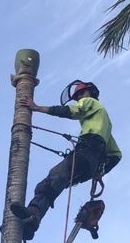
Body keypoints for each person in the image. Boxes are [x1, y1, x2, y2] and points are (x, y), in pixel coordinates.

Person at [10, 80, 121, 241]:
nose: (79, 99)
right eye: (78, 97)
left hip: (84, 153)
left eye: (81, 94)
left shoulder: (90, 102)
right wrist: (99, 172)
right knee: (55, 185)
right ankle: (31, 222)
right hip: (89, 166)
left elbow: (70, 111)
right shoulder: (106, 124)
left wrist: (38, 108)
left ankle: (34, 214)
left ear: (90, 93)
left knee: (49, 182)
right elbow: (117, 155)